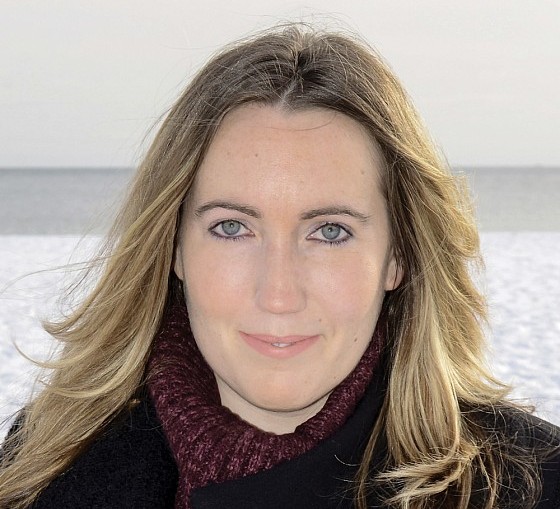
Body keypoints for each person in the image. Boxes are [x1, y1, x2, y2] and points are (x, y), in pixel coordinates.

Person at [1, 23, 559, 509]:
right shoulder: (42, 468)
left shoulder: (535, 485)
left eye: (330, 231)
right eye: (232, 228)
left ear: (399, 257)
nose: (278, 294)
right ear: (172, 247)